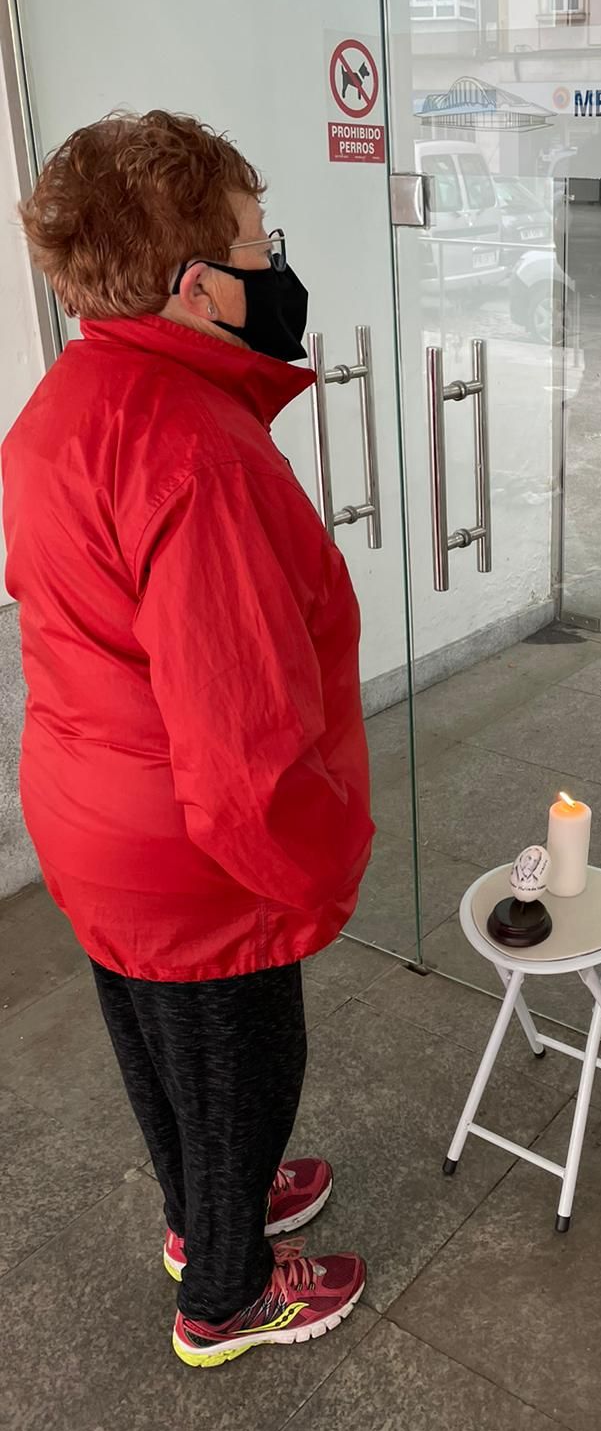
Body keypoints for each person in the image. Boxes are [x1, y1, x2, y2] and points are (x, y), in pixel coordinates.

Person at [3, 111, 374, 1367]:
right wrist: (317, 870)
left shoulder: (71, 400)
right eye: (261, 244)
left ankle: (199, 1216)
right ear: (200, 285)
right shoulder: (192, 448)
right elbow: (244, 739)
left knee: (160, 1052)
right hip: (192, 844)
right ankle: (226, 1296)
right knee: (243, 1072)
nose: (277, 268)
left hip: (96, 816)